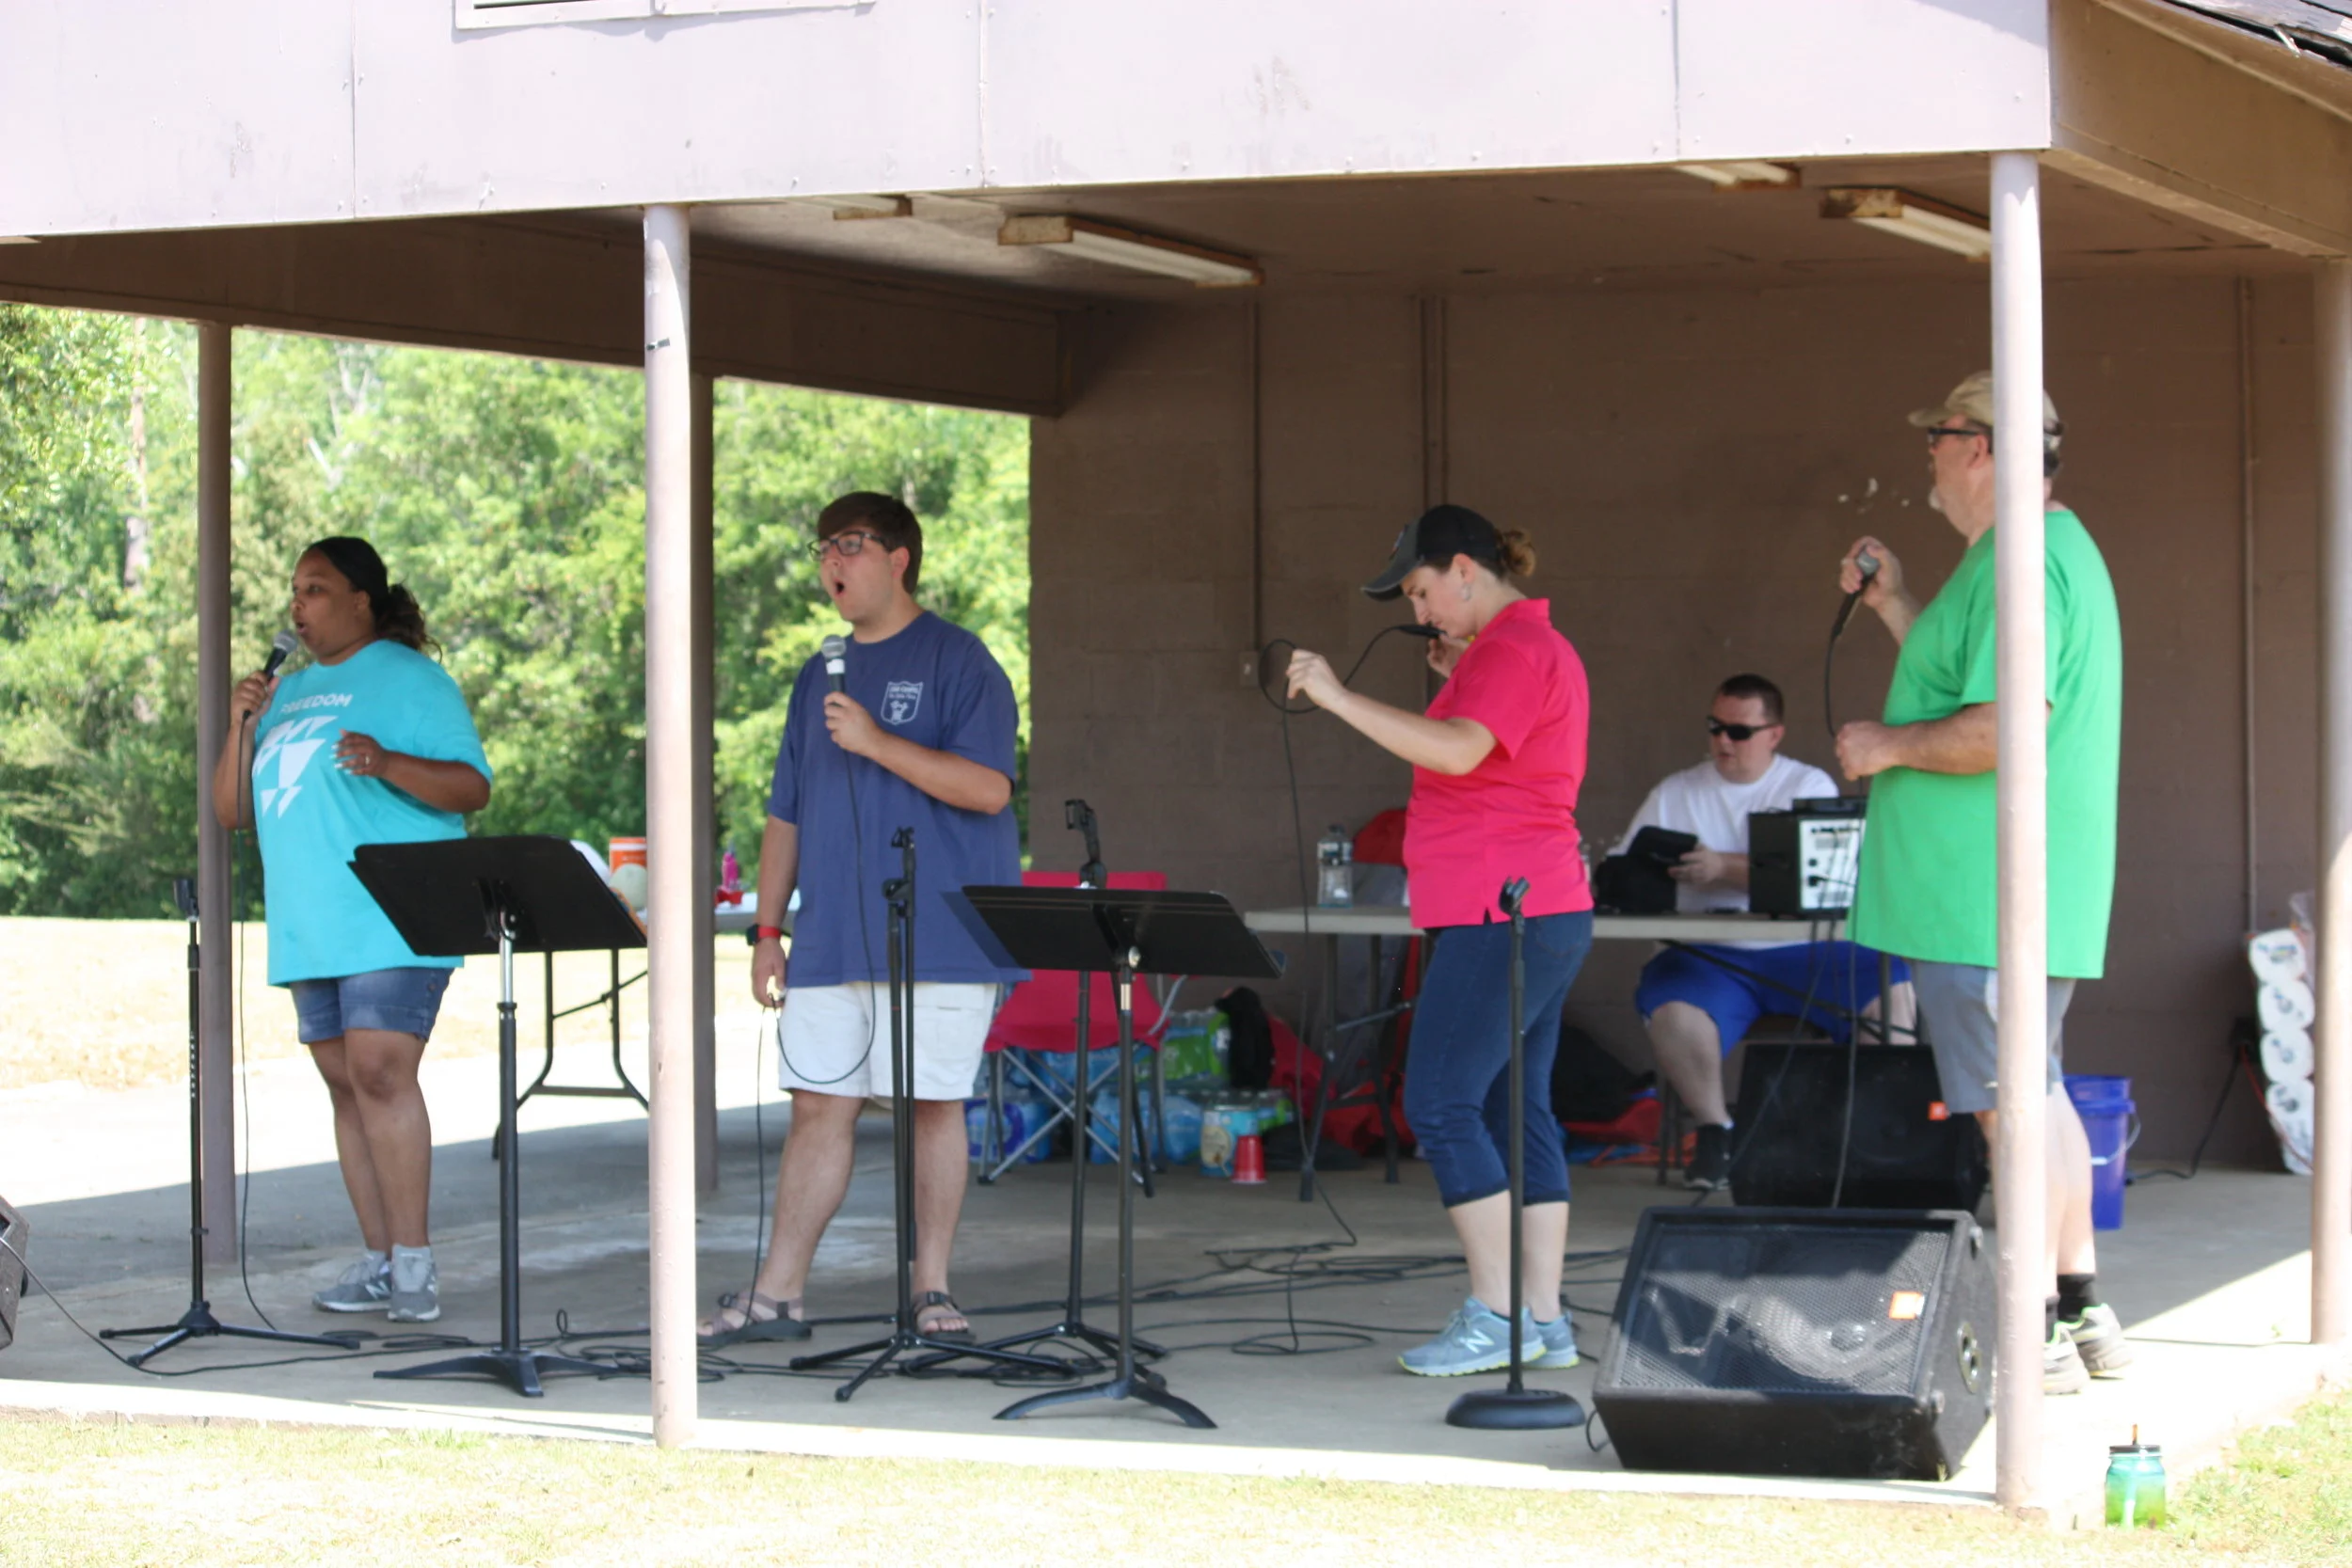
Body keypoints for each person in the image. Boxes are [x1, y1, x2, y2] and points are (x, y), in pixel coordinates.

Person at [1834, 370, 2127, 1394]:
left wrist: (1881, 746)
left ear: (1984, 448)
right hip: (2009, 887)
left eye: (1940, 434)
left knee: (2011, 1103)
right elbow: (1966, 672)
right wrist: (1894, 600)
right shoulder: (2032, 555)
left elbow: (2004, 721)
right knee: (2034, 1088)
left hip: (1981, 892)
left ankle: (2031, 1319)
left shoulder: (2023, 561)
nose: (1927, 451)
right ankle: (2080, 1304)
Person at [701, 492, 1023, 1348]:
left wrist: (879, 742)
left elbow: (989, 788)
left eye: (849, 544)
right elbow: (786, 814)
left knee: (930, 1103)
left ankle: (930, 1288)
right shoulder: (821, 673)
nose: (831, 563)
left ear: (899, 557)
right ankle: (777, 1296)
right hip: (833, 931)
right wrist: (767, 930)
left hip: (942, 935)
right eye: (822, 548)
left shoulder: (961, 660)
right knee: (818, 1103)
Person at [1286, 504, 1592, 1377]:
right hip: (1537, 906)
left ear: (1466, 569)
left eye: (1423, 591)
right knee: (1513, 1109)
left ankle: (1499, 1316)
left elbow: (1459, 752)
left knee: (1444, 1102)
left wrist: (1340, 697)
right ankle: (1542, 1316)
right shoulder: (1520, 648)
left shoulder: (1511, 649)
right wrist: (1459, 670)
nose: (1419, 612)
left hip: (1502, 911)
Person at [212, 537, 491, 1325]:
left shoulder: (414, 680)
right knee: (344, 1083)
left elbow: (473, 787)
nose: (298, 604)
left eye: (318, 589)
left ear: (363, 601)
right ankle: (378, 1256)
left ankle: (415, 1263)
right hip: (311, 921)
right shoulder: (285, 695)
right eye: (295, 590)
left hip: (392, 913)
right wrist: (242, 724)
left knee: (378, 1072)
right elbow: (231, 810)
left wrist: (386, 760)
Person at [1615, 673, 1904, 1191]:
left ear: (1775, 734)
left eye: (1740, 732)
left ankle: (1860, 1135)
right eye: (1716, 728)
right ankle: (1714, 1131)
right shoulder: (1675, 791)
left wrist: (1722, 868)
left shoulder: (1806, 784)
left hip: (1811, 951)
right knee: (1670, 1009)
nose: (1724, 741)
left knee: (1892, 991)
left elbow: (1820, 873)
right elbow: (1620, 870)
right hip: (1710, 952)